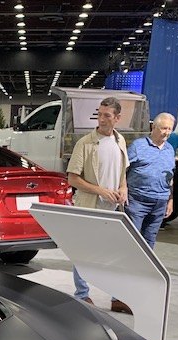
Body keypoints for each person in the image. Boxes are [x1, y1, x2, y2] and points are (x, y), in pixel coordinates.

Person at [66, 96, 131, 314]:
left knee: (115, 254)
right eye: (99, 114)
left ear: (117, 118)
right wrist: (101, 190)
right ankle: (82, 295)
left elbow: (122, 173)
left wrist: (124, 189)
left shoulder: (120, 141)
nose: (101, 119)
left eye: (107, 115)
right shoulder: (85, 143)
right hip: (89, 207)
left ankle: (117, 297)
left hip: (113, 210)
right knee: (84, 252)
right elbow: (72, 179)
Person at [125, 112, 177, 251]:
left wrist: (170, 200)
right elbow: (122, 171)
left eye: (169, 129)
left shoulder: (170, 149)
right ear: (154, 127)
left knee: (150, 239)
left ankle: (143, 270)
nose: (166, 132)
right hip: (137, 201)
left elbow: (170, 176)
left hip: (160, 202)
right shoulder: (138, 146)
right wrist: (122, 191)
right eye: (163, 128)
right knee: (132, 237)